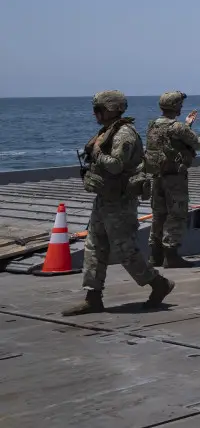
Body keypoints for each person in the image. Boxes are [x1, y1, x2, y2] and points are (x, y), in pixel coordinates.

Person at [62, 91, 174, 316]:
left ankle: (158, 283)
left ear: (111, 109)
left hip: (121, 201)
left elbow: (115, 165)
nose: (95, 114)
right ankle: (93, 297)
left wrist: (96, 153)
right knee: (94, 246)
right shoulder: (108, 131)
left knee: (125, 251)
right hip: (105, 198)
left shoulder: (125, 134)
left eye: (99, 109)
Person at [145, 91, 200, 267]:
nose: (181, 107)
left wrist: (187, 125)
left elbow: (169, 144)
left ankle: (155, 256)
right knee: (176, 215)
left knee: (158, 216)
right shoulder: (177, 127)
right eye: (179, 104)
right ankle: (171, 256)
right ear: (175, 106)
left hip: (157, 176)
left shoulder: (153, 124)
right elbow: (198, 144)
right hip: (175, 178)